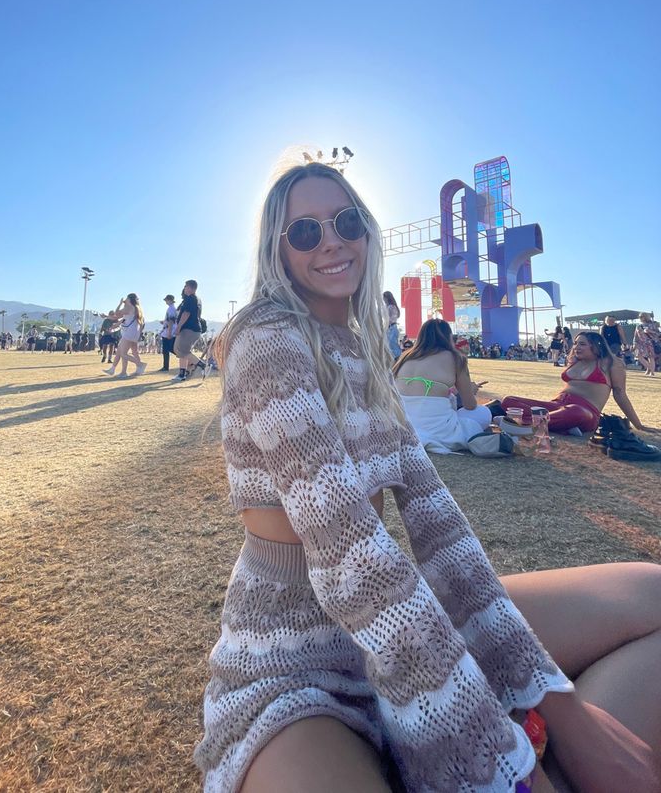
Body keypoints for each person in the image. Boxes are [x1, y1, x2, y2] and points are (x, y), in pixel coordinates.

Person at [194, 161, 661, 793]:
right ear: (276, 249)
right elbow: (349, 552)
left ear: (367, 231)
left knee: (651, 593)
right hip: (291, 660)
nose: (331, 240)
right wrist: (507, 759)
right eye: (304, 231)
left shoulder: (363, 350)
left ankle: (571, 753)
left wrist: (566, 710)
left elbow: (441, 531)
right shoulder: (265, 339)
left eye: (346, 221)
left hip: (404, 615)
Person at [503, 331, 657, 434]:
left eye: (582, 344)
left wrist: (638, 425)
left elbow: (620, 394)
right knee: (508, 401)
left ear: (596, 346)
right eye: (575, 343)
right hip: (557, 405)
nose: (576, 347)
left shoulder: (611, 363)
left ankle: (526, 425)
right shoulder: (574, 362)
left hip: (585, 412)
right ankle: (556, 425)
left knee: (575, 412)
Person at [393, 318, 492, 453]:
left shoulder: (405, 357)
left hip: (402, 425)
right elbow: (470, 405)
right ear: (448, 337)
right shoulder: (456, 358)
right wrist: (471, 389)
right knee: (484, 413)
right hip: (439, 429)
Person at [102, 294, 147, 378]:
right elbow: (119, 319)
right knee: (121, 351)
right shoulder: (135, 308)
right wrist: (108, 318)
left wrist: (120, 303)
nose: (125, 299)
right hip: (133, 333)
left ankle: (140, 364)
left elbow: (117, 313)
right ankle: (116, 370)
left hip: (129, 333)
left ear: (129, 299)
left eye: (126, 298)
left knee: (123, 353)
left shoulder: (129, 308)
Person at [170, 280, 205, 382]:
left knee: (181, 350)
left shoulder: (190, 298)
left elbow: (186, 313)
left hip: (189, 329)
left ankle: (203, 365)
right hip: (193, 329)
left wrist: (178, 327)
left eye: (185, 286)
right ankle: (182, 374)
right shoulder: (196, 299)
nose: (184, 288)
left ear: (190, 287)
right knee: (181, 350)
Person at [159, 294, 178, 372]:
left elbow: (171, 321)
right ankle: (165, 366)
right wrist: (164, 322)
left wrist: (169, 333)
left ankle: (166, 366)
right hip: (169, 330)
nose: (166, 301)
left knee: (170, 349)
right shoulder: (172, 308)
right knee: (167, 349)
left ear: (169, 300)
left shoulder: (171, 309)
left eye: (166, 300)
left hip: (169, 331)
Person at [383, 290, 401, 361]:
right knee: (392, 346)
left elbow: (390, 319)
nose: (383, 300)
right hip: (392, 327)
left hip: (391, 328)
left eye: (384, 298)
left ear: (387, 298)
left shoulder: (391, 307)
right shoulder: (392, 306)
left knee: (391, 346)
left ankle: (397, 360)